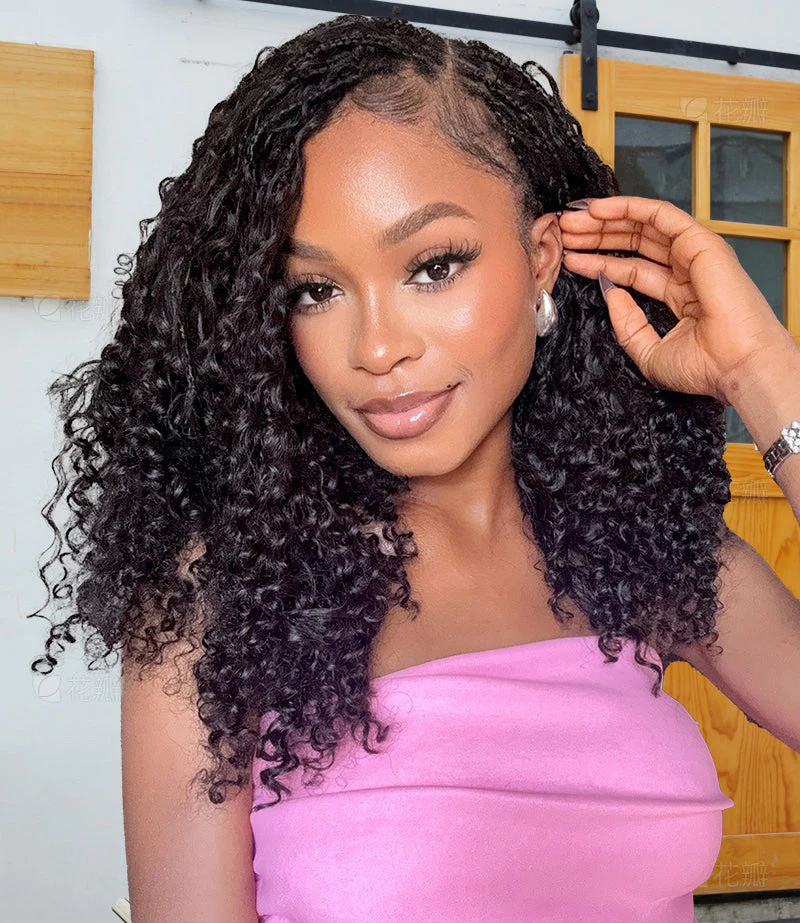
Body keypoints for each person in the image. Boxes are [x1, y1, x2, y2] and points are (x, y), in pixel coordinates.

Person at [28, 12, 800, 923]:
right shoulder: (220, 597)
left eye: (433, 266)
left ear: (542, 258)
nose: (377, 347)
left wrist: (764, 375)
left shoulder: (637, 545)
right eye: (316, 290)